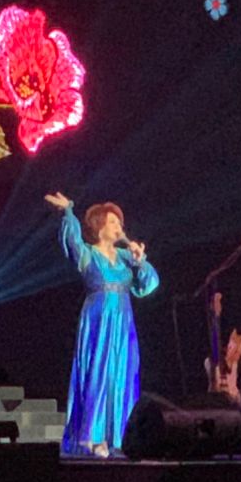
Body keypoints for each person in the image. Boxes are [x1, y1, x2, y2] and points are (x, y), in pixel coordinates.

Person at [45, 192, 160, 457]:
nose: (118, 227)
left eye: (119, 222)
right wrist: (68, 212)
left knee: (122, 376)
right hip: (98, 320)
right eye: (112, 222)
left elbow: (149, 285)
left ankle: (120, 438)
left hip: (123, 322)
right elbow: (72, 241)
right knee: (98, 372)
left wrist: (140, 260)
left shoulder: (125, 257)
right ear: (99, 227)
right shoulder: (89, 254)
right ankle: (93, 437)